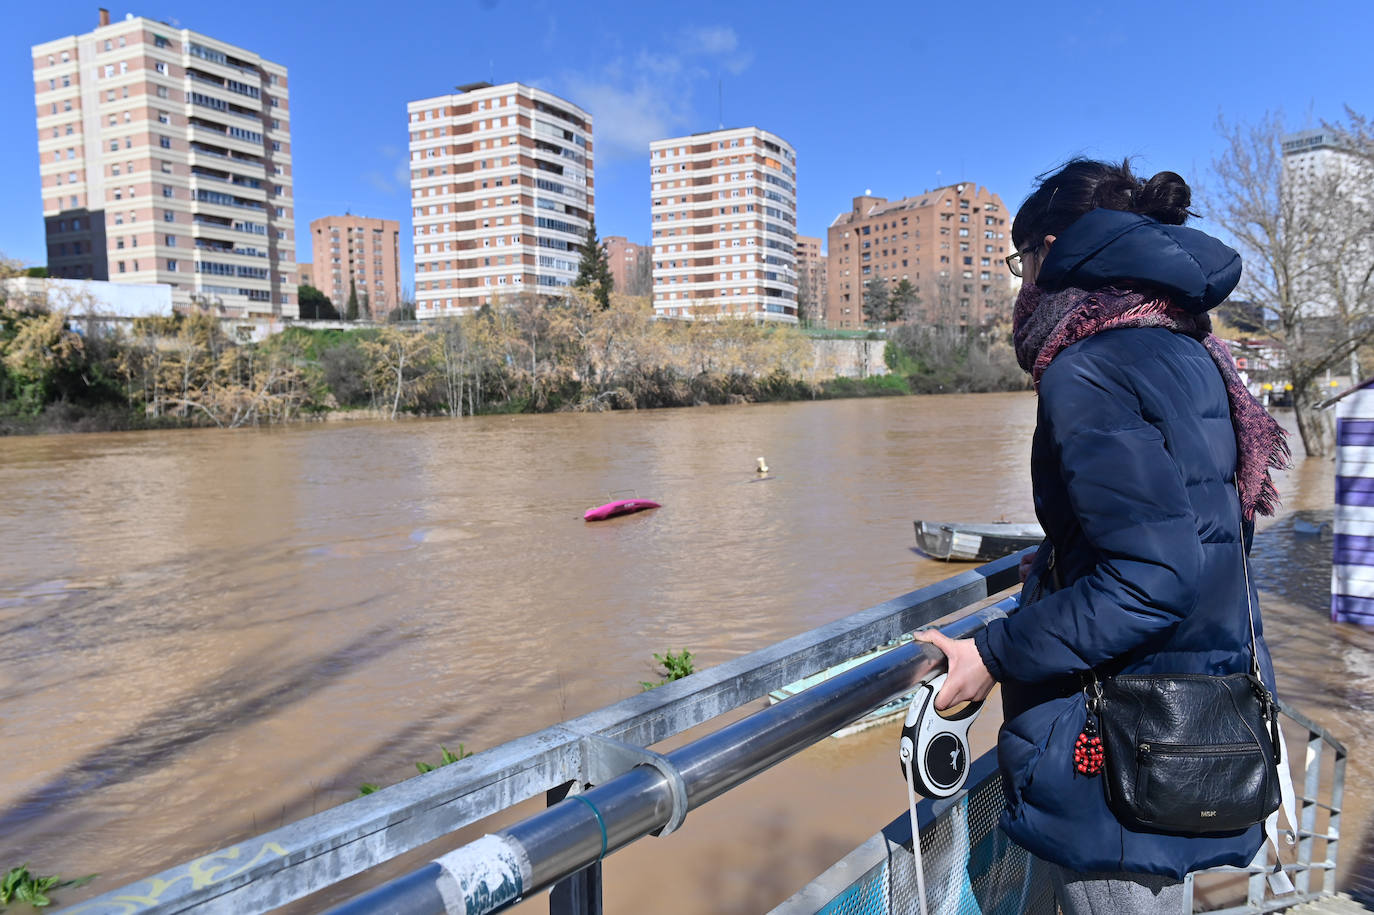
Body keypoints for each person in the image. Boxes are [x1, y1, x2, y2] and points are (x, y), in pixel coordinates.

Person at [915, 159, 1289, 914]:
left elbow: (1148, 578)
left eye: (1022, 263)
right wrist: (1062, 555)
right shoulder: (1191, 351)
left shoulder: (1089, 369)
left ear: (1051, 251)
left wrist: (992, 652)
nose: (1020, 288)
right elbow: (1195, 527)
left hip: (1124, 757)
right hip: (1198, 717)